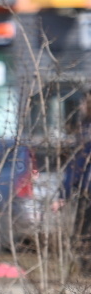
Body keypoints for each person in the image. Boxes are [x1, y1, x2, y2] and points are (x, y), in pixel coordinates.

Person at [60, 90, 91, 273]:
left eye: (82, 103)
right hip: (85, 189)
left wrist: (65, 193)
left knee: (84, 232)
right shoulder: (83, 128)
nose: (79, 107)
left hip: (87, 189)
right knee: (83, 232)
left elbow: (77, 164)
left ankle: (86, 269)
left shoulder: (86, 131)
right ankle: (85, 268)